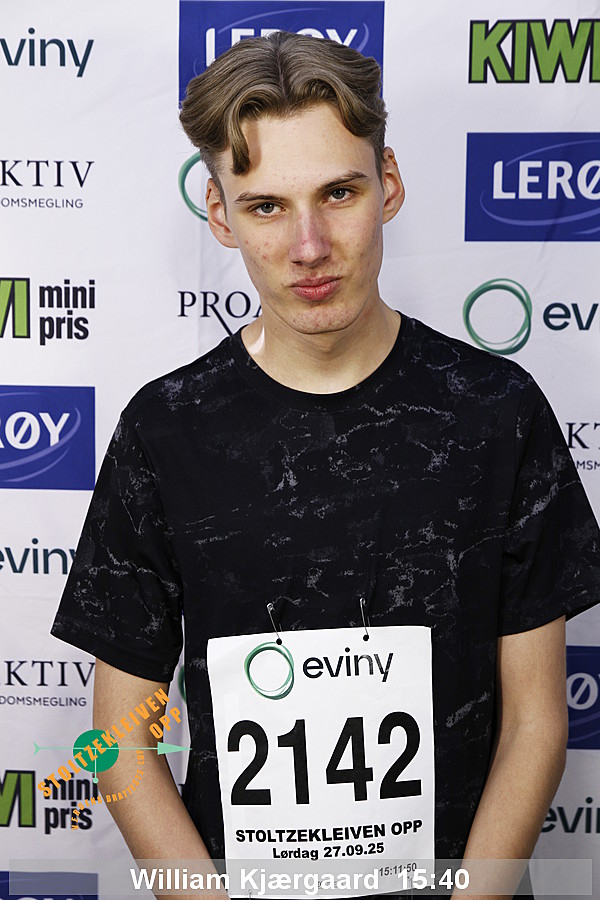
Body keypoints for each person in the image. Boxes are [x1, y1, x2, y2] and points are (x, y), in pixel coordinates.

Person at [52, 31, 600, 899]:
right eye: (267, 206)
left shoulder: (497, 411)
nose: (309, 246)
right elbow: (119, 736)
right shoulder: (166, 430)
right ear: (220, 215)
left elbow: (536, 722)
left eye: (338, 193)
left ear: (389, 185)